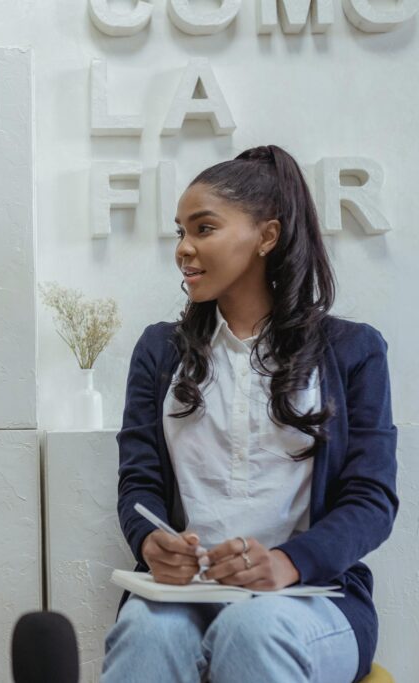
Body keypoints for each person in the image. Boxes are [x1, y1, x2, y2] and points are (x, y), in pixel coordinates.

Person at [101, 145, 398, 683]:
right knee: (145, 631)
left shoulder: (354, 350)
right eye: (179, 233)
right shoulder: (158, 351)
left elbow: (371, 500)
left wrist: (287, 562)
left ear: (267, 236)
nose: (184, 249)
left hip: (311, 599)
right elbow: (138, 483)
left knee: (253, 629)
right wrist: (151, 543)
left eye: (204, 229)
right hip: (185, 597)